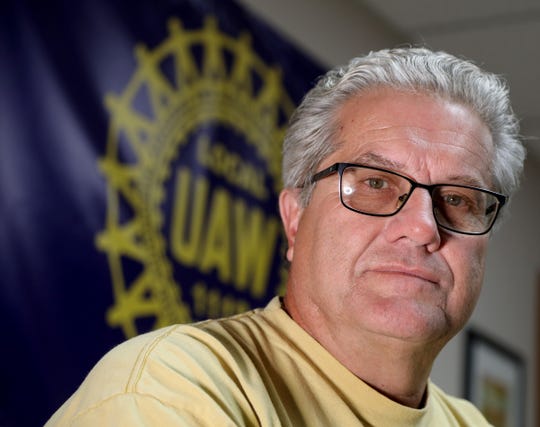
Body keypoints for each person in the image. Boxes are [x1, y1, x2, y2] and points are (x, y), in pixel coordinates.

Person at [47, 47, 525, 426]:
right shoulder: (175, 389)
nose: (423, 227)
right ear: (295, 218)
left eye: (459, 199)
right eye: (376, 183)